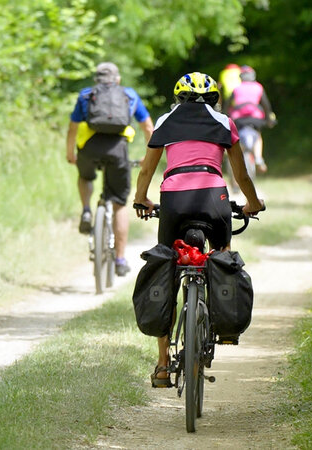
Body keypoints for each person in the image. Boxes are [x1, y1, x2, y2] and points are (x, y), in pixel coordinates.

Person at [132, 72, 264, 387]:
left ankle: (163, 366)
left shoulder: (165, 122)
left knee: (166, 267)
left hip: (173, 200)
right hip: (213, 198)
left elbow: (148, 168)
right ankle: (227, 325)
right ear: (215, 98)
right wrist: (253, 203)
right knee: (223, 257)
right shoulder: (224, 123)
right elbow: (241, 174)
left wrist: (141, 200)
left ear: (178, 97)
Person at [66, 62, 155, 276]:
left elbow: (72, 128)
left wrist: (71, 153)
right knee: (119, 204)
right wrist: (149, 156)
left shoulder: (86, 95)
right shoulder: (129, 95)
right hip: (118, 150)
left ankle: (87, 210)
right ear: (117, 79)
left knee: (85, 176)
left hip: (88, 148)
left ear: (96, 79)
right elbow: (148, 128)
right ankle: (120, 259)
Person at [224, 65, 276, 173]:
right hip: (255, 118)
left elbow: (227, 105)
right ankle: (258, 158)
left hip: (238, 119)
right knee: (257, 136)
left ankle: (237, 156)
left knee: (236, 139)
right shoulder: (258, 87)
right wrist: (269, 118)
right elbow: (266, 105)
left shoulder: (236, 88)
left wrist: (224, 116)